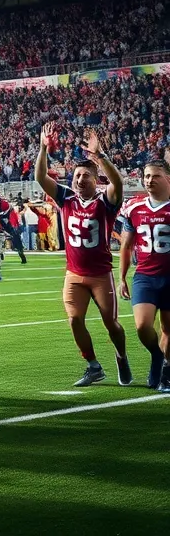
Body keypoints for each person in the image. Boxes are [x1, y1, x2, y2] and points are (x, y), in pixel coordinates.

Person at [35, 124, 130, 387]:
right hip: (74, 274)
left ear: (96, 178)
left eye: (85, 176)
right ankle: (93, 365)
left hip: (100, 274)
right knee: (75, 320)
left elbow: (118, 183)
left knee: (111, 323)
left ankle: (121, 356)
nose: (79, 180)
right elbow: (40, 178)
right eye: (76, 175)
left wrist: (100, 157)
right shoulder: (66, 198)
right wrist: (43, 148)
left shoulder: (105, 201)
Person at [117, 159, 170, 392]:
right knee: (142, 326)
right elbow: (126, 246)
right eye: (147, 176)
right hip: (145, 275)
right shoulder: (134, 207)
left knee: (169, 329)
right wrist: (121, 277)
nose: (149, 180)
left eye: (155, 176)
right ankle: (157, 357)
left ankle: (165, 371)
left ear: (168, 178)